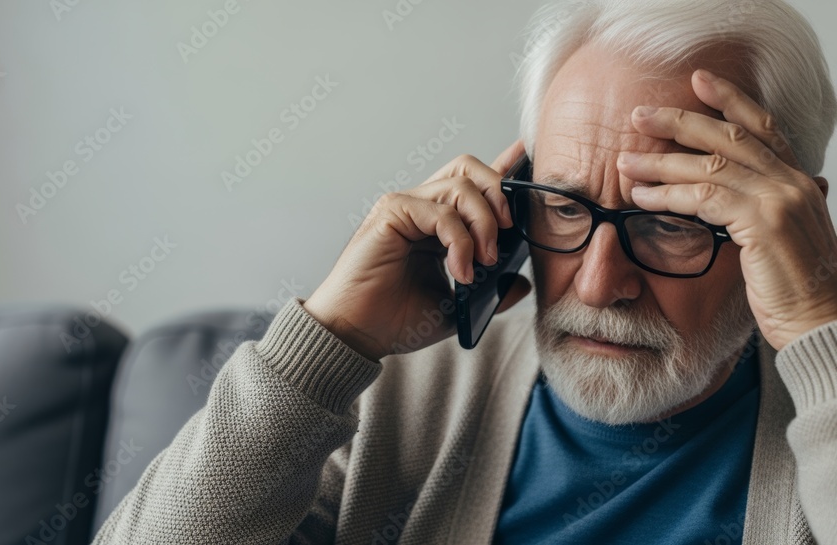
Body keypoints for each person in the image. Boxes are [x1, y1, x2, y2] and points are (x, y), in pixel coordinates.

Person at [92, 0, 837, 543]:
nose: (599, 283)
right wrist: (326, 345)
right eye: (565, 209)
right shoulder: (400, 401)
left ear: (789, 219)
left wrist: (815, 319)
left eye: (671, 220)